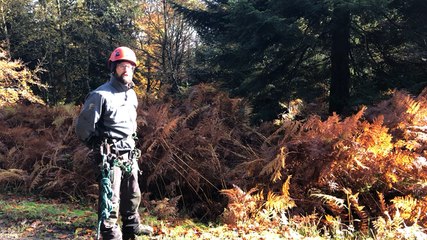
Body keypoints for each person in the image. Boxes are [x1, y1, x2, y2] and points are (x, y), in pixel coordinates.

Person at [75, 46, 153, 240]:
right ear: (113, 68)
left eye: (130, 66)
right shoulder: (100, 95)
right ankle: (110, 233)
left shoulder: (131, 94)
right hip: (110, 156)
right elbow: (83, 128)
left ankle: (132, 227)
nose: (126, 70)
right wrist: (98, 145)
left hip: (129, 154)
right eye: (122, 66)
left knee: (133, 194)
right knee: (111, 200)